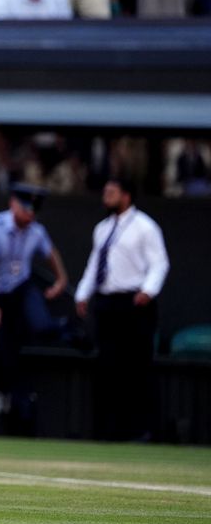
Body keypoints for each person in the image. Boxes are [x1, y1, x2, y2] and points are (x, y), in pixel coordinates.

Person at [74, 179, 169, 441]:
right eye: (104, 192)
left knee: (137, 367)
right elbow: (94, 265)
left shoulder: (145, 227)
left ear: (126, 196)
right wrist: (84, 293)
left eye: (111, 193)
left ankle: (142, 430)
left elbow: (159, 263)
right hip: (107, 303)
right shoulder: (102, 229)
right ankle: (109, 430)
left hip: (135, 303)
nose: (106, 196)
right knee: (107, 366)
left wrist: (148, 291)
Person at [0, 184, 69, 435]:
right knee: (6, 356)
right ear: (14, 205)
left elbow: (51, 253)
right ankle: (23, 412)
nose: (31, 215)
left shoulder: (36, 231)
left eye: (34, 212)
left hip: (21, 289)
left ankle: (63, 329)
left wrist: (61, 280)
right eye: (27, 209)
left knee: (42, 324)